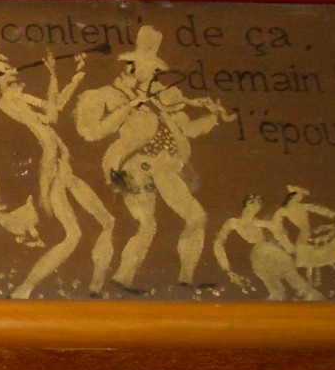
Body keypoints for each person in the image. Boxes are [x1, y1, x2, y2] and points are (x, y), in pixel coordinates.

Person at [74, 25, 232, 292]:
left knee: (196, 217)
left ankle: (185, 278)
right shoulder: (106, 95)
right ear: (132, 67)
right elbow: (91, 132)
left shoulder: (160, 98)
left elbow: (187, 129)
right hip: (136, 166)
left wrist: (213, 115)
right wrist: (129, 107)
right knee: (146, 225)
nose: (155, 75)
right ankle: (122, 278)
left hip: (164, 166)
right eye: (151, 69)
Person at [0, 21, 114, 299]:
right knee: (72, 235)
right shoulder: (8, 100)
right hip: (53, 166)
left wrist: (68, 77)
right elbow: (50, 118)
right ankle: (24, 289)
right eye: (1, 70)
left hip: (63, 164)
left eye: (8, 66)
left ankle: (96, 286)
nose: (10, 71)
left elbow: (53, 113)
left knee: (107, 221)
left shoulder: (18, 96)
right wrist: (46, 189)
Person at [213, 194, 324, 301]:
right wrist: (226, 267)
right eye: (252, 203)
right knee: (270, 280)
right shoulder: (233, 222)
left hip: (269, 251)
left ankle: (308, 294)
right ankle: (278, 297)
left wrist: (293, 250)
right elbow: (219, 242)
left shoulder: (262, 223)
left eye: (259, 204)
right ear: (246, 204)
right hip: (256, 256)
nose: (255, 206)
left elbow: (280, 235)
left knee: (288, 273)